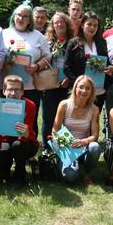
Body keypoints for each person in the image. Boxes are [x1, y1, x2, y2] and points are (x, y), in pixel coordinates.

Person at [0, 1, 51, 137]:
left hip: (30, 86)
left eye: (25, 16)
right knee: (7, 117)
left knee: (30, 119)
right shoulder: (3, 33)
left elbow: (48, 56)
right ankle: (6, 146)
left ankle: (29, 148)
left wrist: (37, 66)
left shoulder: (38, 36)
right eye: (19, 15)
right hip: (8, 86)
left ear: (30, 20)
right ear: (13, 16)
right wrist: (4, 63)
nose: (21, 19)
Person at [0, 75, 38, 186]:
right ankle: (5, 169)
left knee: (18, 145)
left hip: (25, 143)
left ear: (22, 92)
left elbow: (31, 136)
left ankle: (19, 175)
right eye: (10, 89)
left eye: (17, 89)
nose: (14, 93)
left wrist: (26, 134)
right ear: (4, 91)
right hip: (4, 144)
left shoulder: (30, 106)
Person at [51, 75, 101, 184]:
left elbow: (95, 136)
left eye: (88, 88)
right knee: (70, 177)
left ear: (92, 91)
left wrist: (83, 141)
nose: (84, 91)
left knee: (95, 147)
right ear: (75, 88)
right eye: (81, 87)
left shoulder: (95, 109)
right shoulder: (64, 105)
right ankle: (68, 164)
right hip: (66, 146)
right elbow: (55, 130)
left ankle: (87, 173)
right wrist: (68, 144)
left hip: (83, 145)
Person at [64, 11, 113, 109]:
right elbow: (67, 67)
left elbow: (107, 63)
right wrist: (78, 84)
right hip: (81, 91)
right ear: (82, 25)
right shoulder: (73, 43)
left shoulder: (102, 43)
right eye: (89, 24)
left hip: (99, 91)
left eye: (95, 25)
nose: (92, 28)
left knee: (94, 121)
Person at [41, 12, 72, 151]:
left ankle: (63, 149)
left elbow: (77, 64)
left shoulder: (74, 42)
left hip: (67, 87)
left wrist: (70, 79)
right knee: (48, 119)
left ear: (66, 24)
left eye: (61, 22)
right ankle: (47, 148)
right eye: (56, 22)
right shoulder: (47, 42)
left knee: (65, 119)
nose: (59, 24)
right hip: (49, 86)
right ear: (52, 25)